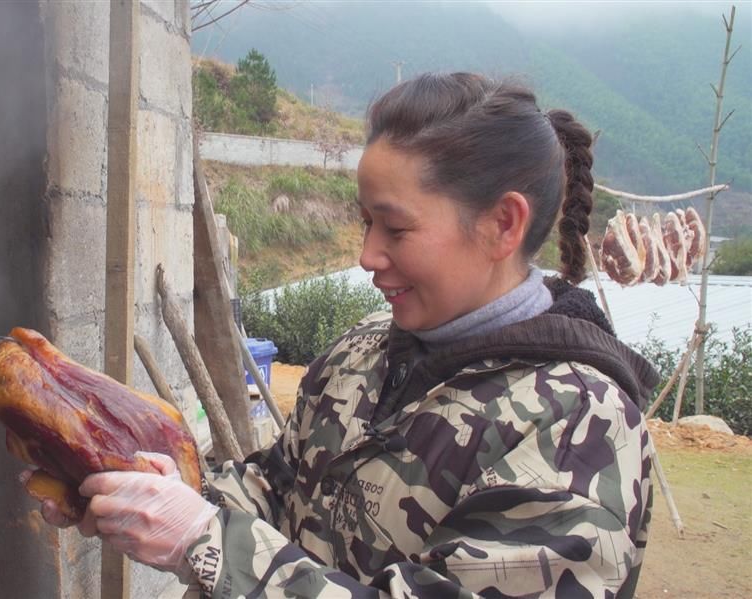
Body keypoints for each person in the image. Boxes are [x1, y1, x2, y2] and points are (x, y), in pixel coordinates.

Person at [42, 72, 659, 598]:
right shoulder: (365, 349)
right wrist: (162, 489)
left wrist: (204, 542)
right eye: (365, 223)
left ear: (502, 224)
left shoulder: (577, 428)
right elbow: (282, 488)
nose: (366, 255)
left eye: (394, 229)